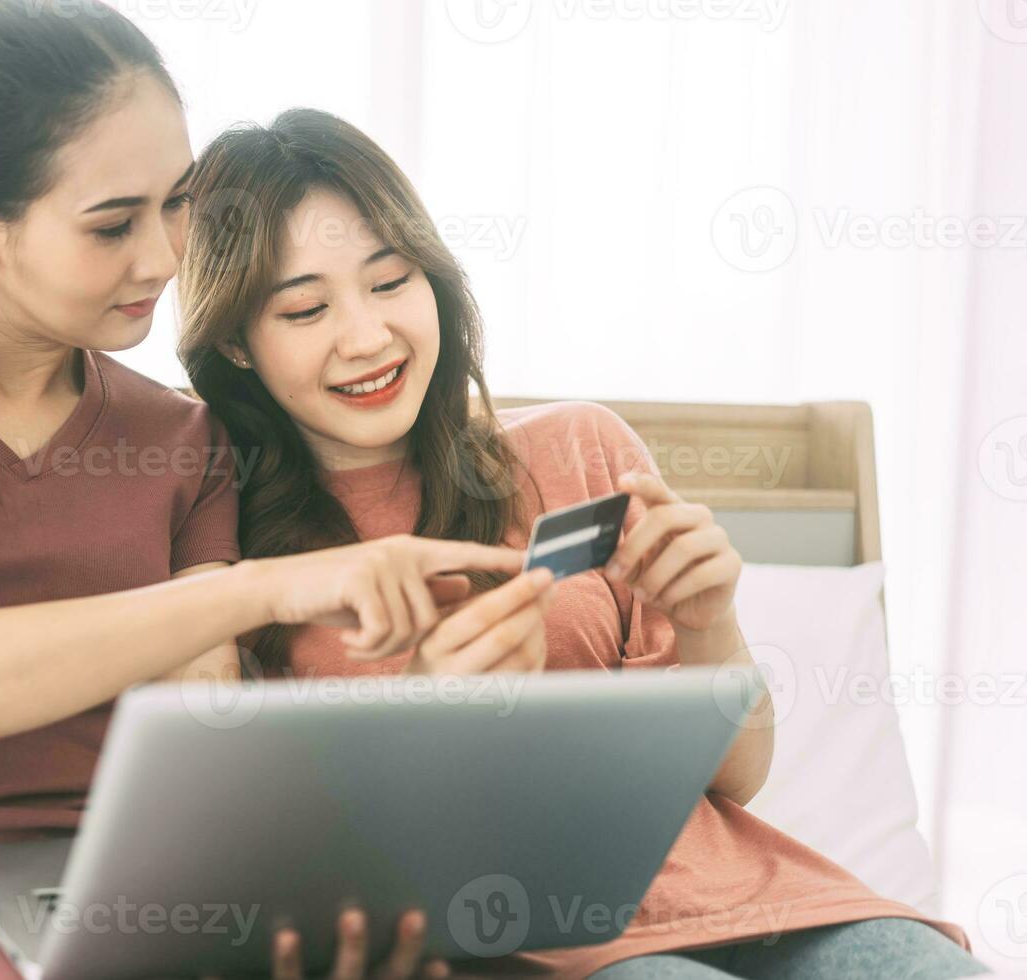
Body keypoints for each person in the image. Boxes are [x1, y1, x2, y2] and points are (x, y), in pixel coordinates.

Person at [0, 7, 532, 978]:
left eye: (175, 203)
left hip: (127, 913)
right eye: (112, 223)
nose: (165, 257)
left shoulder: (180, 437)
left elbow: (206, 766)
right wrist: (261, 589)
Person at [176, 107, 989, 979]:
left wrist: (708, 620)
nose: (368, 336)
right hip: (517, 942)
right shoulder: (223, 541)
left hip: (767, 906)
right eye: (305, 309)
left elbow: (736, 775)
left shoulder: (577, 447)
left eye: (391, 281)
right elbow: (251, 863)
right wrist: (420, 728)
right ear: (236, 341)